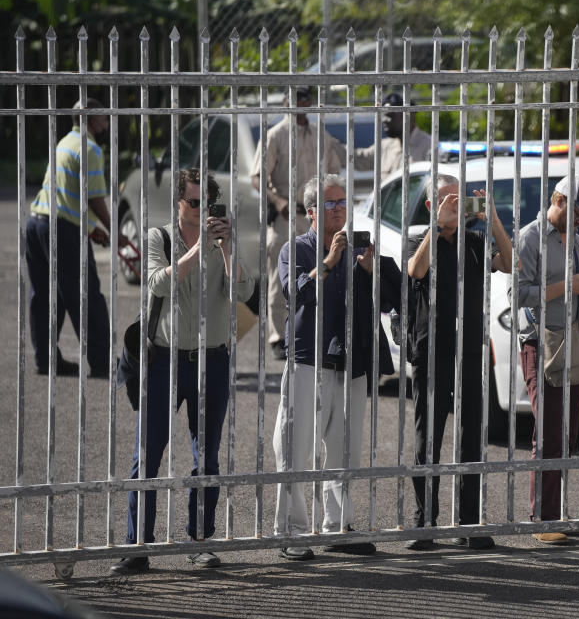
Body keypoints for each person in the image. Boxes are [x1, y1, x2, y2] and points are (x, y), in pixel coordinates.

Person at [111, 168, 254, 575]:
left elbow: (243, 292)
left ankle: (201, 539)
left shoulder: (222, 239)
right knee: (147, 454)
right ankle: (137, 545)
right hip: (164, 360)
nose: (200, 211)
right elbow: (156, 283)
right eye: (193, 203)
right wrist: (196, 250)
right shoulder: (159, 237)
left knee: (207, 457)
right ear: (178, 202)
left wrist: (226, 250)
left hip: (212, 359)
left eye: (206, 204)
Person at [272, 174, 401, 559]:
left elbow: (393, 300)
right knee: (295, 450)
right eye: (330, 204)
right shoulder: (295, 249)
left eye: (343, 202)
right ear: (311, 212)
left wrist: (370, 266)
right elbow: (295, 294)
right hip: (308, 361)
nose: (339, 210)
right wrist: (329, 262)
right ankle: (291, 532)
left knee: (345, 452)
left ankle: (337, 526)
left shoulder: (359, 251)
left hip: (352, 362)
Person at [405, 174, 513, 550]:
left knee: (470, 437)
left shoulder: (476, 240)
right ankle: (424, 522)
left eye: (459, 198)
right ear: (433, 206)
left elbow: (510, 262)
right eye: (448, 199)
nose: (456, 203)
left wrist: (493, 219)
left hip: (469, 351)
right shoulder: (421, 238)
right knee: (427, 436)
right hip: (430, 350)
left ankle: (469, 521)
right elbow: (415, 270)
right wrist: (437, 228)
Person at [515, 174, 579, 545]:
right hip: (541, 342)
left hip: (572, 339)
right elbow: (517, 294)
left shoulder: (577, 239)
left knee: (567, 432)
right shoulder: (530, 237)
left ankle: (555, 510)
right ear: (559, 200)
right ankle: (543, 517)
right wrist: (570, 285)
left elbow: (578, 287)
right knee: (548, 431)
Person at [26, 98, 128, 377]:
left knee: (47, 296)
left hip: (37, 225)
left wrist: (89, 229)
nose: (107, 123)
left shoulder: (64, 143)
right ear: (93, 121)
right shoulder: (90, 148)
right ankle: (103, 362)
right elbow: (94, 197)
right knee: (87, 296)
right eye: (104, 118)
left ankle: (46, 360)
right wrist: (113, 230)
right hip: (60, 230)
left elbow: (68, 196)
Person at [251, 86, 347, 360]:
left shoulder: (320, 135)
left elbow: (333, 173)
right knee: (280, 277)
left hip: (319, 214)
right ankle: (278, 337)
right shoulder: (275, 136)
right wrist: (278, 201)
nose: (302, 103)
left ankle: (317, 328)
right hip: (288, 215)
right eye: (296, 98)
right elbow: (257, 178)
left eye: (306, 98)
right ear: (285, 101)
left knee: (324, 270)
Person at [354, 92, 432, 179]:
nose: (384, 120)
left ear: (409, 116)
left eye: (390, 115)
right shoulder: (384, 146)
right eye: (383, 116)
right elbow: (356, 158)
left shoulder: (429, 146)